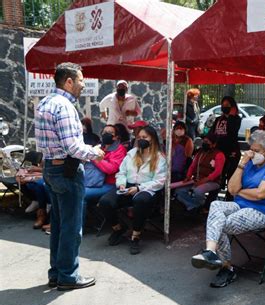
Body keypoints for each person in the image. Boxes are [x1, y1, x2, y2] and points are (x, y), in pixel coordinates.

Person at [35, 62, 104, 291]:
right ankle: (68, 276)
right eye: (81, 80)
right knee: (71, 227)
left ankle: (56, 273)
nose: (83, 84)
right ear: (69, 81)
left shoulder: (45, 102)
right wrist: (95, 152)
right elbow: (73, 147)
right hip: (67, 170)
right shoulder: (64, 106)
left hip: (52, 169)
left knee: (59, 225)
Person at [190, 130, 265, 288]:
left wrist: (240, 192)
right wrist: (241, 164)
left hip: (264, 211)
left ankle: (226, 268)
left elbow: (260, 194)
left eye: (256, 151)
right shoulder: (248, 165)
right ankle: (210, 252)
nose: (252, 154)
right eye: (251, 149)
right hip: (240, 205)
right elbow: (232, 189)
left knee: (223, 224)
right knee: (215, 205)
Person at [98, 126, 167, 255]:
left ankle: (136, 235)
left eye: (144, 137)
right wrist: (121, 184)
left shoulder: (159, 158)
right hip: (128, 186)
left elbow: (160, 181)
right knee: (105, 202)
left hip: (147, 188)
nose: (141, 139)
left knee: (141, 201)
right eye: (139, 137)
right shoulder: (132, 153)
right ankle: (118, 228)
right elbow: (121, 172)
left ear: (152, 139)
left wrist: (139, 188)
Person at [83, 125, 127, 222]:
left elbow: (111, 169)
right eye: (104, 132)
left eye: (110, 133)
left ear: (116, 137)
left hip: (110, 184)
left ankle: (77, 228)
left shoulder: (119, 149)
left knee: (81, 194)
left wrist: (95, 157)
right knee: (72, 190)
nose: (106, 134)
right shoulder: (99, 147)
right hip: (93, 181)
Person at [175, 133, 224, 213]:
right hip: (197, 179)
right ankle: (194, 206)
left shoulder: (219, 154)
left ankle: (197, 206)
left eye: (207, 142)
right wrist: (188, 176)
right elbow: (192, 166)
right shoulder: (200, 152)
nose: (204, 143)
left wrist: (204, 180)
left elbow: (217, 172)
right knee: (179, 191)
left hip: (213, 181)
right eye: (204, 141)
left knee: (198, 191)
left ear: (214, 144)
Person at [210, 96, 242, 198]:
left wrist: (231, 116)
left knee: (231, 176)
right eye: (223, 105)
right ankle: (211, 199)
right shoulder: (219, 119)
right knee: (218, 176)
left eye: (227, 105)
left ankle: (229, 199)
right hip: (219, 152)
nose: (225, 107)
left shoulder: (236, 119)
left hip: (232, 151)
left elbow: (232, 132)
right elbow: (212, 132)